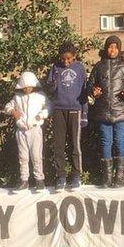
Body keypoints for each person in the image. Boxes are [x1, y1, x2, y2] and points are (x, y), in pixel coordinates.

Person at [88, 35, 124, 188]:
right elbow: (90, 85)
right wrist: (92, 91)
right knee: (105, 142)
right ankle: (107, 177)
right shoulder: (98, 66)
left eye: (115, 47)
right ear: (105, 48)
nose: (112, 50)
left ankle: (120, 177)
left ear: (119, 49)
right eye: (110, 46)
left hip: (120, 111)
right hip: (103, 111)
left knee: (120, 142)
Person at [45, 42, 89, 191]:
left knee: (75, 145)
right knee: (58, 145)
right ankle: (61, 176)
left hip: (75, 110)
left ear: (74, 57)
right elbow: (50, 90)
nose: (65, 62)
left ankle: (76, 175)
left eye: (68, 59)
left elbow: (84, 92)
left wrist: (85, 113)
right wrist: (53, 81)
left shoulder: (80, 68)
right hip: (58, 110)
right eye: (63, 59)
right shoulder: (55, 67)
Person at [5, 71, 50, 192]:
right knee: (23, 157)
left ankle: (39, 180)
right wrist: (13, 112)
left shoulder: (40, 96)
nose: (27, 89)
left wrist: (41, 115)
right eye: (24, 87)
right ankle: (24, 180)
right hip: (21, 130)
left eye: (29, 87)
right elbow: (7, 107)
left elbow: (49, 107)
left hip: (35, 129)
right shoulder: (17, 97)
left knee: (36, 155)